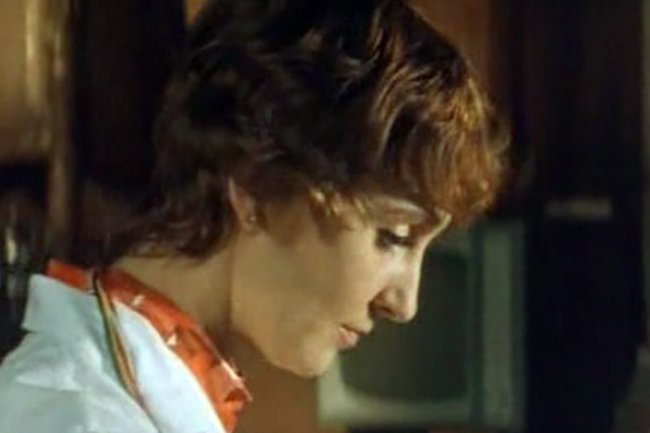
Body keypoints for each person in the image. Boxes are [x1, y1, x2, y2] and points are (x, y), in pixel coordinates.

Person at [0, 0, 506, 432]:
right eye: (393, 236)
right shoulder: (74, 417)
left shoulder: (142, 393)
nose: (405, 303)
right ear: (256, 187)